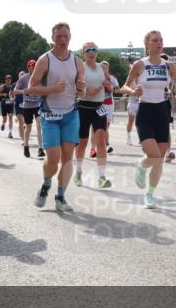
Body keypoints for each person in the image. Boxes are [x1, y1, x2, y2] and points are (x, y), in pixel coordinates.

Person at [122, 31, 176, 208]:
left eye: (161, 40)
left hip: (161, 112)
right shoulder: (139, 64)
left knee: (159, 160)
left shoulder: (168, 65)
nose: (159, 43)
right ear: (147, 45)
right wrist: (132, 91)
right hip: (145, 111)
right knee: (154, 155)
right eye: (155, 40)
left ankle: (150, 194)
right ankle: (142, 166)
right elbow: (125, 86)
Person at [27, 23, 85, 211]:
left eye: (65, 36)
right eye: (58, 36)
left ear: (70, 37)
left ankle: (60, 197)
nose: (62, 39)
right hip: (50, 113)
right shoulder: (45, 60)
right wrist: (52, 89)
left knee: (68, 156)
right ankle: (45, 185)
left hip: (70, 113)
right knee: (53, 158)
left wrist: (81, 88)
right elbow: (31, 87)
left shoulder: (77, 62)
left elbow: (81, 92)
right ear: (52, 38)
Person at [74, 42, 112, 189]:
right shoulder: (80, 67)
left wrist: (108, 85)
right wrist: (85, 92)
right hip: (83, 107)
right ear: (83, 52)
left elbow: (109, 82)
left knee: (101, 140)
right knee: (82, 142)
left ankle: (102, 177)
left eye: (94, 50)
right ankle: (78, 173)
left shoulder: (102, 68)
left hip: (99, 107)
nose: (92, 52)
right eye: (88, 50)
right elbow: (75, 88)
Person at [13, 60, 46, 158]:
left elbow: (45, 89)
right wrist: (24, 91)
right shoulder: (23, 78)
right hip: (27, 106)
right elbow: (15, 91)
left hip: (38, 105)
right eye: (31, 66)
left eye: (34, 66)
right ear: (28, 67)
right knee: (29, 127)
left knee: (39, 125)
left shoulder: (40, 77)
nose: (33, 68)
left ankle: (40, 149)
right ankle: (26, 146)